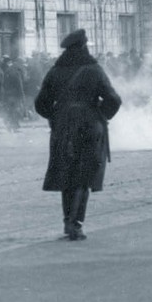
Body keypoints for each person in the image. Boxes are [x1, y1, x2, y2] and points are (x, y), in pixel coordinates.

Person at [35, 29, 122, 241]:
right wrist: (101, 115)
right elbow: (113, 99)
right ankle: (75, 224)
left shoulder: (55, 71)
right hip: (89, 127)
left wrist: (56, 116)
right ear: (83, 47)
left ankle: (68, 221)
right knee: (84, 176)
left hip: (62, 128)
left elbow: (40, 104)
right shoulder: (94, 70)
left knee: (66, 175)